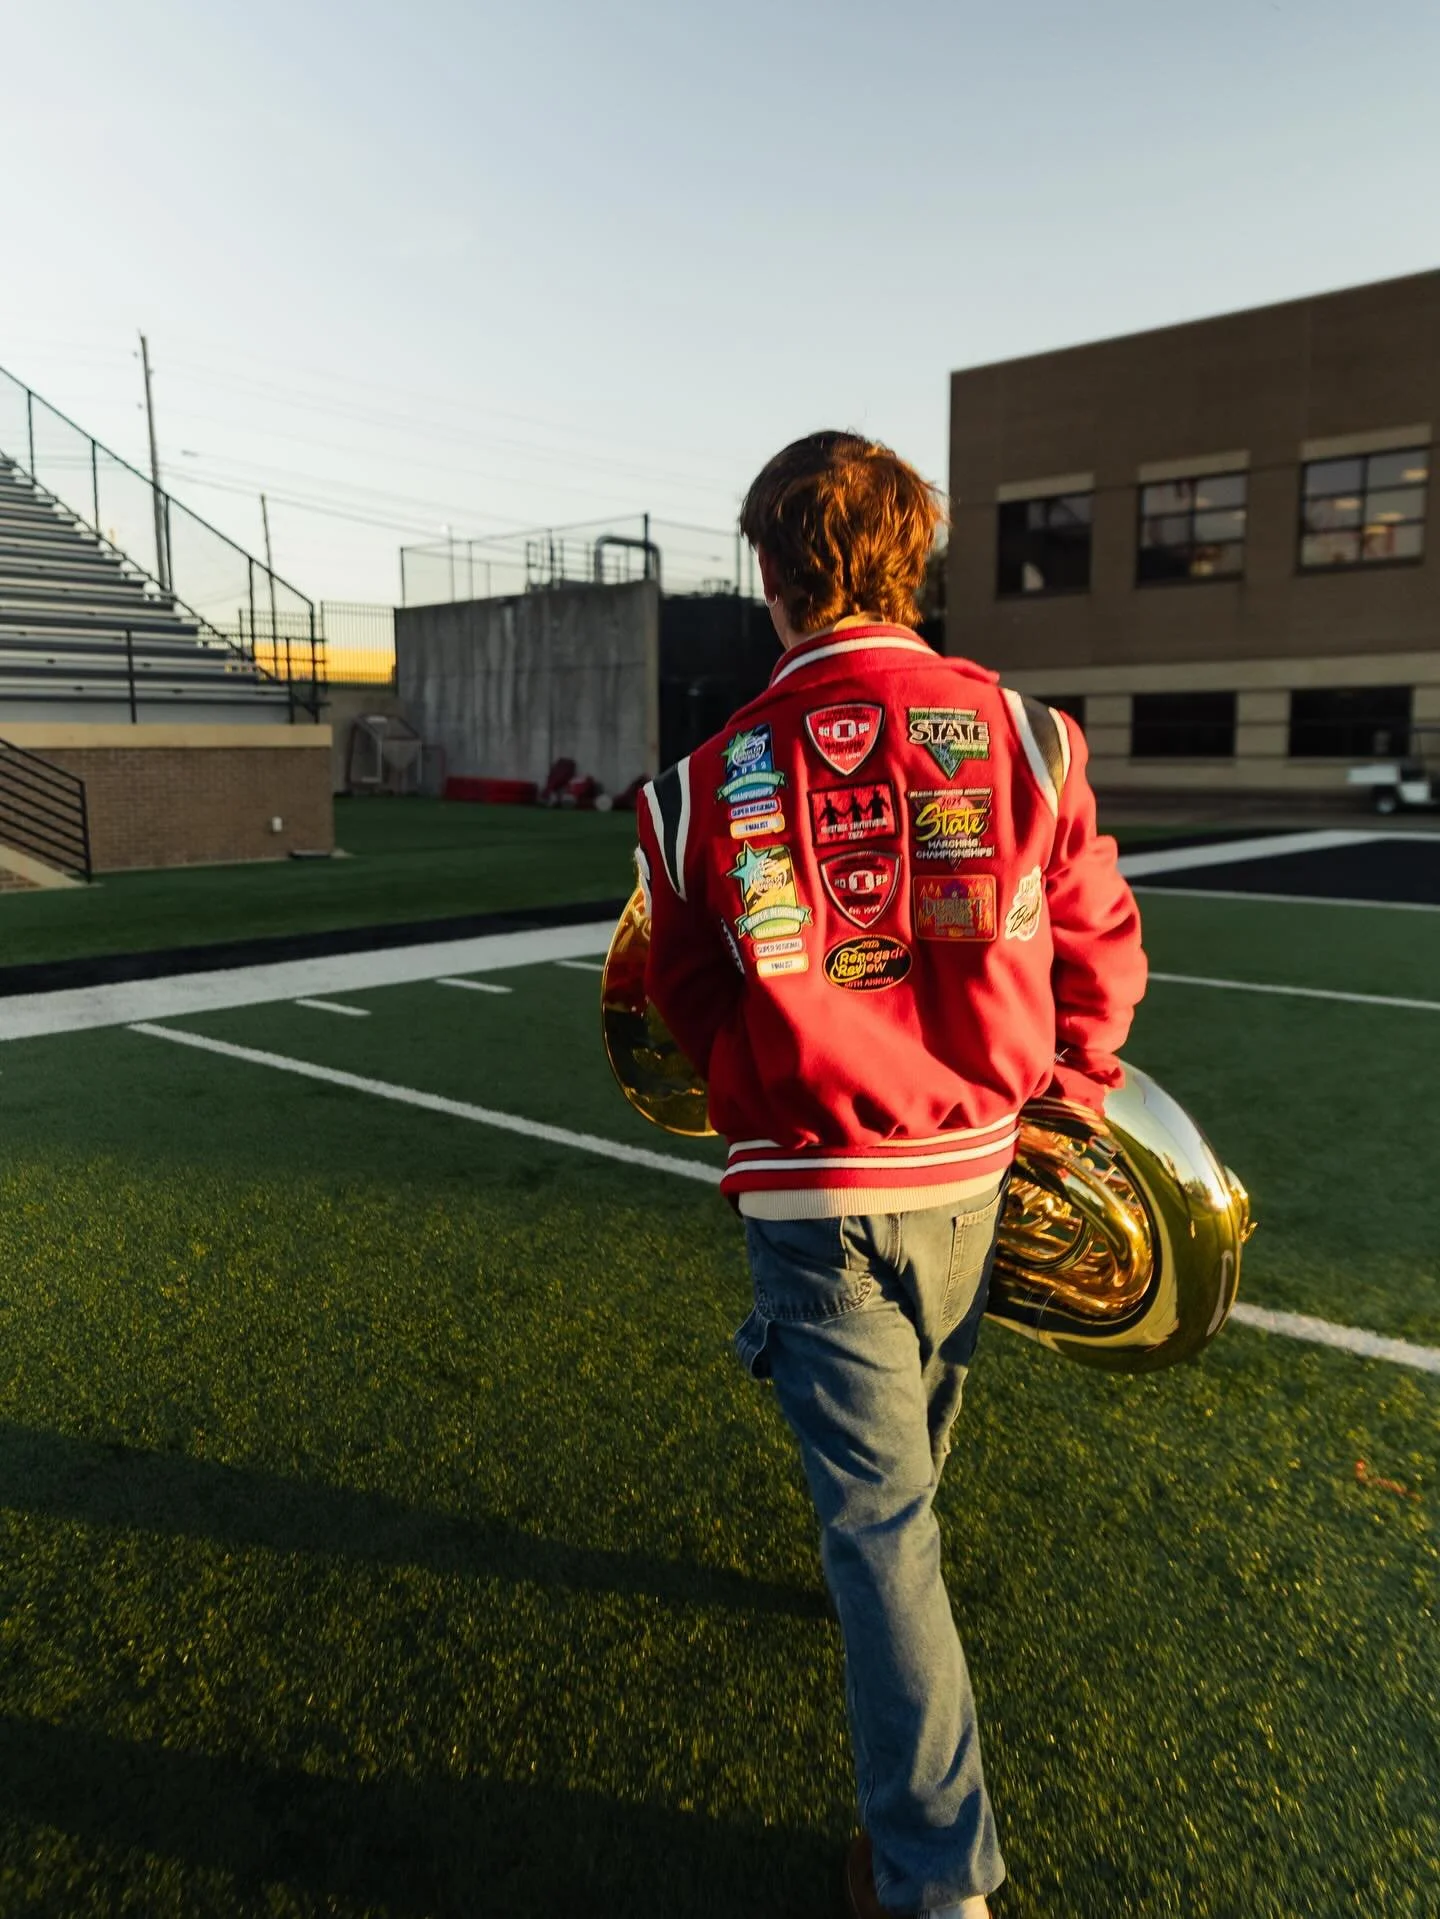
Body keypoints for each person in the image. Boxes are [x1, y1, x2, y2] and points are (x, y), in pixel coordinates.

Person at [635, 431, 1146, 1919]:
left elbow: (680, 988)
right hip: (975, 1171)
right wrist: (1070, 1086)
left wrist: (763, 1073)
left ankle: (939, 1885)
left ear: (774, 578)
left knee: (879, 1521)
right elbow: (1102, 949)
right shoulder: (1030, 736)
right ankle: (887, 1629)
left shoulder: (698, 783)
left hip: (809, 1189)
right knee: (905, 1471)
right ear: (909, 561)